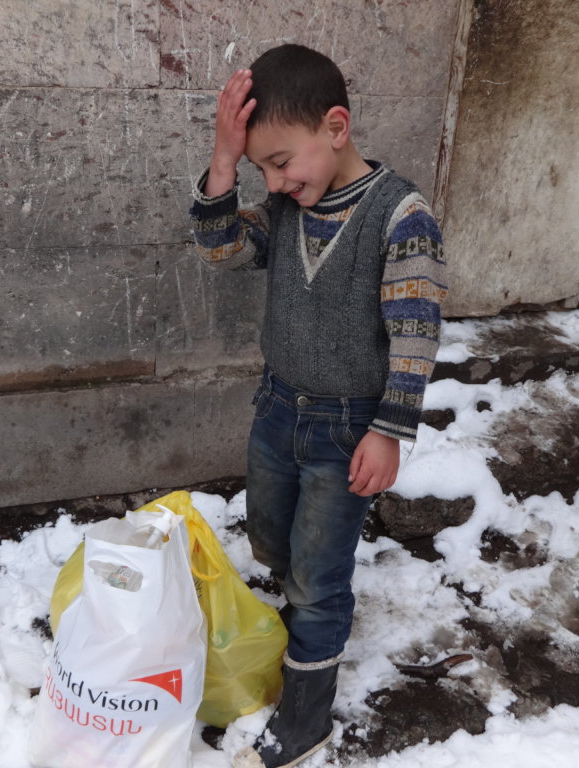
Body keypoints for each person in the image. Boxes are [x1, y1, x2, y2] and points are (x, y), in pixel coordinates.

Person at [189, 44, 448, 768]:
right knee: (271, 532)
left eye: (280, 162)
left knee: (319, 572)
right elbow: (220, 250)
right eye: (261, 168)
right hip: (278, 409)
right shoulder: (284, 207)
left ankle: (306, 717)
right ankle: (291, 620)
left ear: (336, 126)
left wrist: (390, 430)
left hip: (347, 428)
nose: (275, 180)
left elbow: (415, 332)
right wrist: (222, 160)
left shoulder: (401, 216)